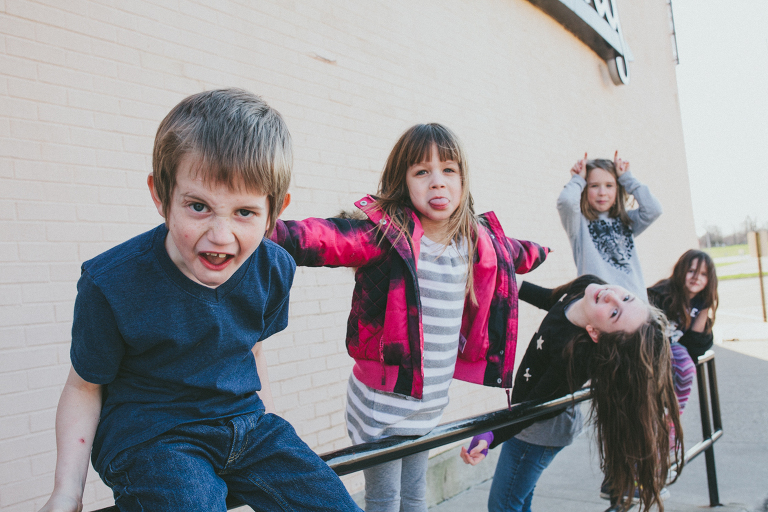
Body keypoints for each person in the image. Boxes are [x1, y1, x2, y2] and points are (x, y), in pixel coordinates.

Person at [39, 89, 361, 512]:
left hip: (245, 424)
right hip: (154, 435)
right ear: (162, 197)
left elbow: (252, 349)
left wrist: (271, 429)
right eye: (198, 207)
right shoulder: (111, 283)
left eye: (244, 212)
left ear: (274, 211)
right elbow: (83, 387)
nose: (221, 234)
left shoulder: (274, 267)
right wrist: (67, 491)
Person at [270, 123, 550, 512]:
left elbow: (516, 253)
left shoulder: (474, 242)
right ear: (403, 181)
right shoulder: (388, 237)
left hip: (428, 404)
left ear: (463, 179)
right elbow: (328, 238)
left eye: (448, 170)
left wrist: (544, 252)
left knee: (416, 497)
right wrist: (266, 231)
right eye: (422, 171)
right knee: (385, 499)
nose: (437, 182)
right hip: (381, 406)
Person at [460, 276, 682, 512]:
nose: (611, 295)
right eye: (626, 297)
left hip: (539, 429)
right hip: (525, 417)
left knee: (503, 505)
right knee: (518, 499)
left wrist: (492, 434)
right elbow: (551, 299)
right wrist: (505, 280)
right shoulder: (587, 288)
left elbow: (536, 404)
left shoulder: (576, 356)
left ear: (595, 333)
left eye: (614, 313)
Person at [557, 152, 662, 301]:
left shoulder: (626, 220)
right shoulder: (578, 224)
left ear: (617, 189)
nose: (602, 192)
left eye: (609, 185)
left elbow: (654, 209)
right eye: (594, 186)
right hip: (603, 308)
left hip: (636, 304)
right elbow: (566, 201)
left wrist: (627, 178)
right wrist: (578, 179)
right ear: (585, 189)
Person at [648, 249, 719, 413]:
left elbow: (694, 341)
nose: (696, 278)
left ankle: (673, 416)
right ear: (681, 270)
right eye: (692, 271)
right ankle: (666, 414)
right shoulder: (662, 293)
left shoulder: (700, 301)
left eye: (703, 274)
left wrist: (705, 307)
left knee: (686, 368)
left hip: (673, 349)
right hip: (654, 348)